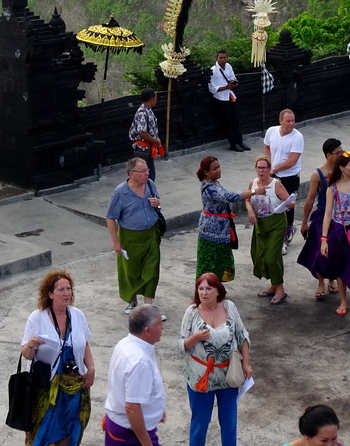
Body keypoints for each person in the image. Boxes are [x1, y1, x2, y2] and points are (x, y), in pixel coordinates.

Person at [20, 270, 95, 446]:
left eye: (69, 288)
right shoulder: (37, 318)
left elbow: (84, 344)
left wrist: (90, 369)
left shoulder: (77, 315)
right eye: (61, 289)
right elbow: (26, 354)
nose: (66, 293)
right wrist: (31, 345)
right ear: (50, 294)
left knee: (69, 427)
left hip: (73, 387)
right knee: (43, 430)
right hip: (46, 387)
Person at [178, 273, 251, 446]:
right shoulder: (192, 312)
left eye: (209, 288)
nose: (204, 293)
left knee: (229, 422)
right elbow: (181, 345)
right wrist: (195, 338)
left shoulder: (229, 307)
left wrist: (246, 364)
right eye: (201, 289)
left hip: (228, 375)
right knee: (200, 423)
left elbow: (243, 336)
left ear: (218, 290)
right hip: (201, 377)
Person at [106, 157, 164, 315]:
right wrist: (116, 242)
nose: (147, 173)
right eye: (143, 171)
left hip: (151, 233)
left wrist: (157, 203)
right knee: (130, 271)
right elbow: (110, 217)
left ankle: (148, 306)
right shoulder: (121, 192)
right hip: (130, 237)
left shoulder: (150, 184)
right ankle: (132, 301)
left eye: (148, 170)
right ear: (132, 174)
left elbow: (158, 203)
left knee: (151, 269)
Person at [103, 304, 166, 446]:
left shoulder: (125, 343)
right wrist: (146, 443)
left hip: (121, 425)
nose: (162, 327)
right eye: (159, 324)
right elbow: (132, 408)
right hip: (129, 434)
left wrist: (156, 409)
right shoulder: (139, 361)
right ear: (148, 331)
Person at [317, 152, 350, 316]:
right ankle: (343, 301)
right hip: (340, 230)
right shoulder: (333, 188)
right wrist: (324, 239)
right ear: (341, 168)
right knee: (341, 266)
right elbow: (327, 214)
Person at [195, 156, 262, 282]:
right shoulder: (209, 188)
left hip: (222, 230)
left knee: (222, 260)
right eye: (215, 168)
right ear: (206, 172)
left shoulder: (215, 182)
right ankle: (205, 289)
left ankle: (216, 288)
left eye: (219, 167)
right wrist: (254, 191)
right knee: (210, 262)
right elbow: (229, 196)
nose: (219, 170)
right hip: (211, 230)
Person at [297, 139, 344, 300]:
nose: (341, 155)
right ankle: (321, 282)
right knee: (318, 250)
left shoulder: (343, 170)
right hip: (322, 216)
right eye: (338, 153)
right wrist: (304, 222)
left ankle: (332, 279)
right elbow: (310, 199)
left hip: (338, 217)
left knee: (336, 251)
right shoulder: (318, 174)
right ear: (329, 155)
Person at [245, 157, 294, 305]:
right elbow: (247, 199)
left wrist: (289, 204)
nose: (261, 171)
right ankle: (274, 284)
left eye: (264, 168)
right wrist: (250, 211)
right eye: (259, 168)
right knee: (259, 254)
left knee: (272, 257)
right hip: (261, 224)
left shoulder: (276, 185)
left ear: (269, 169)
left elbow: (290, 202)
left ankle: (280, 288)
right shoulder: (253, 183)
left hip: (276, 223)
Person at [263, 109, 303, 252]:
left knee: (288, 205)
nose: (291, 124)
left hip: (289, 177)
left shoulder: (297, 137)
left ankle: (286, 235)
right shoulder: (271, 131)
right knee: (271, 203)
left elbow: (292, 161)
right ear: (280, 121)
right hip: (273, 174)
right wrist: (267, 164)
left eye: (293, 120)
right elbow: (267, 147)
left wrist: (274, 170)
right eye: (288, 121)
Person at [208, 52, 248, 152]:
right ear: (217, 58)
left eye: (224, 57)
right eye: (220, 58)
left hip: (230, 96)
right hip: (220, 98)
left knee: (236, 120)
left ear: (227, 58)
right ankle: (233, 143)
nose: (223, 59)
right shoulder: (214, 70)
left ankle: (240, 141)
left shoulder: (229, 66)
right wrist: (226, 87)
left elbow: (233, 78)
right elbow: (212, 88)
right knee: (227, 122)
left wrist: (233, 83)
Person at [129, 89, 163, 181]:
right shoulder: (142, 112)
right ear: (152, 99)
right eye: (156, 97)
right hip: (142, 149)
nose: (156, 100)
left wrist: (156, 138)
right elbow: (142, 132)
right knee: (145, 174)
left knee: (150, 173)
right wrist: (155, 140)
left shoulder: (148, 110)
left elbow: (150, 129)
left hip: (149, 149)